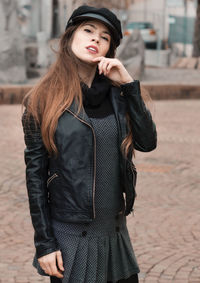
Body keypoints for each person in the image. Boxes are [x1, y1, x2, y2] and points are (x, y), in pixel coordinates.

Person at [21, 5, 157, 283]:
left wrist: (129, 85)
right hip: (71, 238)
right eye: (88, 31)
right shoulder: (42, 100)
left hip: (115, 234)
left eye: (105, 37)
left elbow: (147, 142)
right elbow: (35, 178)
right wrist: (45, 244)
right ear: (70, 36)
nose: (96, 39)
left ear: (109, 49)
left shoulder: (119, 95)